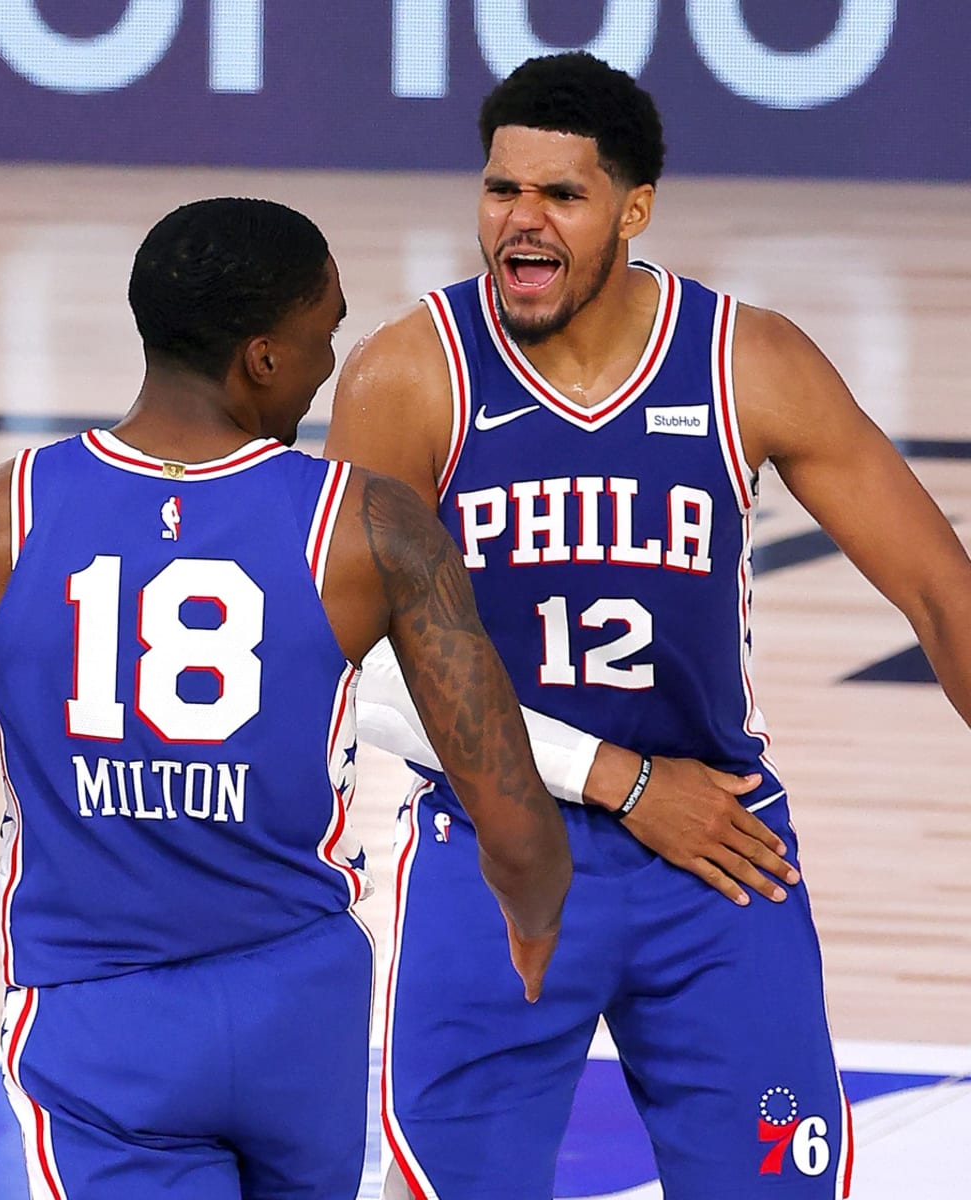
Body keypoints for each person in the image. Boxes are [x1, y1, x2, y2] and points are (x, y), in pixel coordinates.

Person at [0, 198, 572, 1200]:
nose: (330, 365)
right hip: (303, 1014)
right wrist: (534, 925)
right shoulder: (374, 528)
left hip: (103, 1023)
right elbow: (515, 821)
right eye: (324, 336)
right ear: (263, 359)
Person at [326, 52, 971, 1200]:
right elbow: (365, 674)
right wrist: (624, 783)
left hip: (720, 854)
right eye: (500, 189)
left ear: (634, 210)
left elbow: (939, 593)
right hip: (493, 853)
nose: (520, 221)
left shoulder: (746, 360)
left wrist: (658, 796)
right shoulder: (411, 373)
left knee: (777, 1177)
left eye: (561, 195)